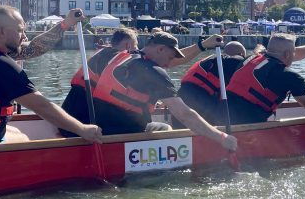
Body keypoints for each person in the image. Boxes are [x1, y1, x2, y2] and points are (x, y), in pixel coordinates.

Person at [0, 6, 102, 146]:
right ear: (0, 32)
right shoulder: (0, 63)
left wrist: (65, 24)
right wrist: (83, 129)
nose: (24, 37)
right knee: (27, 137)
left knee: (14, 129)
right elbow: (42, 106)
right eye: (20, 31)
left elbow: (32, 48)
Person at [91, 31, 237, 150]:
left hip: (99, 126)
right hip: (124, 133)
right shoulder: (153, 71)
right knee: (166, 128)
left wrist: (203, 45)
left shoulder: (122, 57)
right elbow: (185, 115)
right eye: (169, 57)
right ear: (160, 49)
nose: (168, 64)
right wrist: (222, 138)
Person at [224, 33, 305, 127]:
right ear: (288, 54)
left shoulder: (251, 59)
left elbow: (286, 55)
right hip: (248, 126)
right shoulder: (290, 76)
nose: (295, 55)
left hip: (223, 117)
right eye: (293, 52)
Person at [60, 28, 139, 136]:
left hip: (66, 118)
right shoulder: (119, 62)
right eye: (135, 46)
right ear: (128, 45)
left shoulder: (101, 54)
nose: (136, 50)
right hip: (84, 123)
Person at [175, 41, 248, 126]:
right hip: (200, 100)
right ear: (240, 54)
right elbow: (248, 63)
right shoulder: (233, 60)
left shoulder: (211, 61)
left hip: (181, 100)